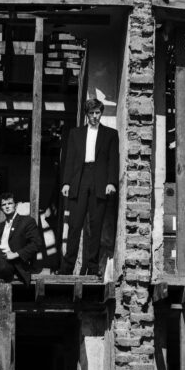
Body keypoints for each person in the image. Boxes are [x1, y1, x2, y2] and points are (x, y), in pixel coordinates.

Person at [59, 98, 119, 275]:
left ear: (101, 113)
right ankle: (67, 268)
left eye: (97, 113)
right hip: (79, 178)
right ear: (86, 114)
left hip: (99, 180)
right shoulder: (75, 133)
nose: (94, 116)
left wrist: (111, 182)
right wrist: (66, 182)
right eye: (91, 113)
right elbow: (69, 159)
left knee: (95, 226)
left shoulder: (110, 134)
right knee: (75, 226)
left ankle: (92, 269)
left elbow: (113, 161)